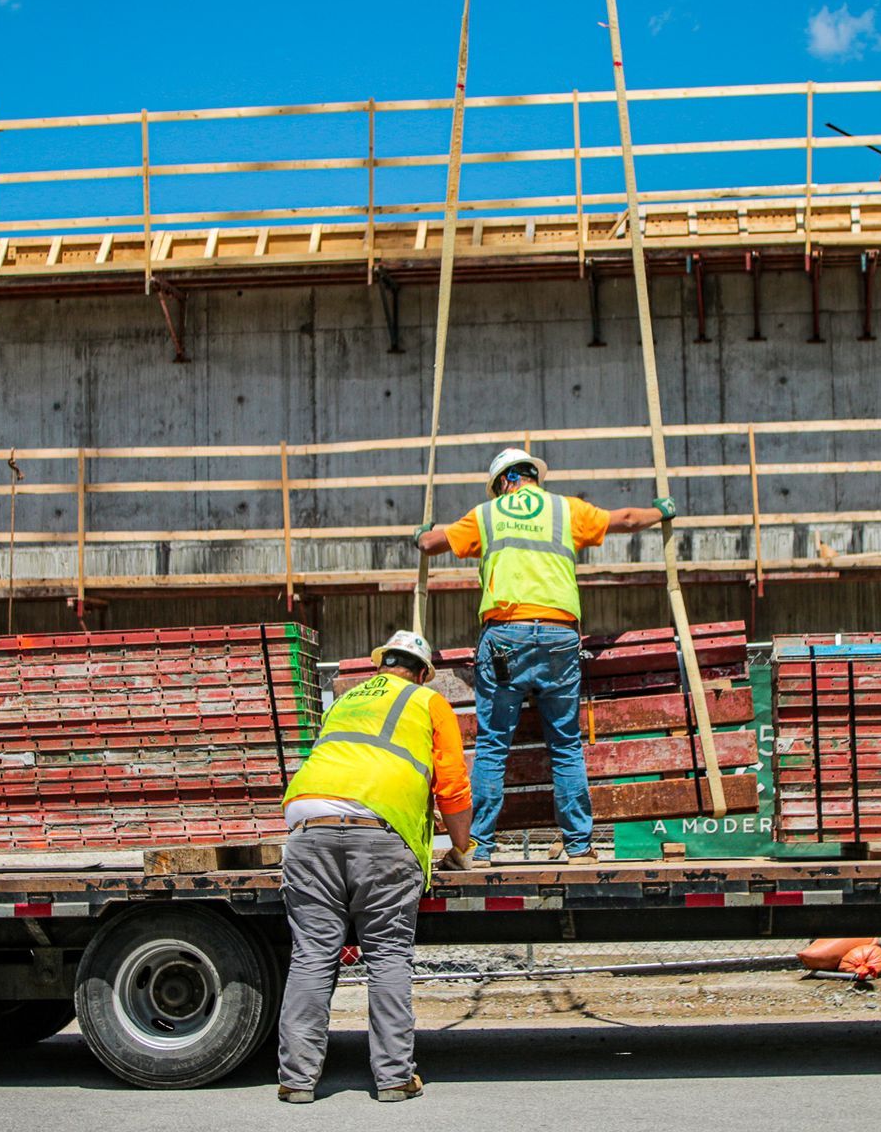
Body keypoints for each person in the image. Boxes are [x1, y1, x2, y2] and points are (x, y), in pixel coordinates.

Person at [413, 448, 675, 866]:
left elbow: (430, 544)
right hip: (558, 635)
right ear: (534, 476)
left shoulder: (489, 513)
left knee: (494, 745)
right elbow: (625, 520)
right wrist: (659, 512)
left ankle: (476, 848)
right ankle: (580, 847)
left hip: (505, 636)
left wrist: (422, 534)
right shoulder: (563, 510)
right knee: (566, 745)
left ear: (502, 481)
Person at [274, 629, 473, 1105]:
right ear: (424, 673)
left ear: (380, 664)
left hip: (306, 828)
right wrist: (461, 847)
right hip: (380, 833)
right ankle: (393, 1078)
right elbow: (451, 783)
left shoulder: (342, 703)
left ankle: (297, 1081)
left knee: (312, 955)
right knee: (387, 956)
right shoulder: (427, 701)